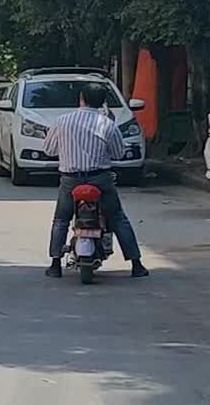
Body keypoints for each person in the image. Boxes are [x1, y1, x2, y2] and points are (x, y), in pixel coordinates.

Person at [44, 84, 149, 279]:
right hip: (100, 178)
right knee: (117, 218)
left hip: (70, 180)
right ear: (102, 102)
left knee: (61, 220)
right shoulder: (107, 124)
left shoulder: (62, 121)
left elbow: (49, 150)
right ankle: (137, 265)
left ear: (81, 99)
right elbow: (118, 153)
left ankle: (55, 264)